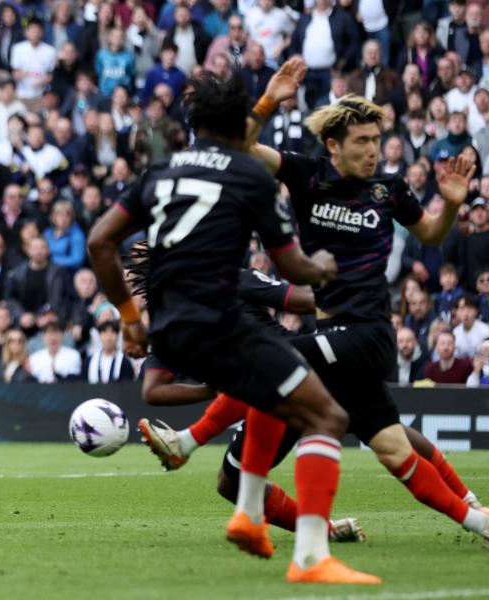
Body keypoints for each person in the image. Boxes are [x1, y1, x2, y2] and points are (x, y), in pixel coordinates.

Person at [185, 58, 489, 561]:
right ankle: (477, 519)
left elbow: (432, 233)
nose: (373, 152)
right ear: (333, 145)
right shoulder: (307, 174)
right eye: (362, 142)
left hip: (368, 333)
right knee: (393, 448)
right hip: (336, 339)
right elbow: (237, 150)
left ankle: (188, 441)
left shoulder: (390, 190)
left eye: (376, 141)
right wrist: (268, 101)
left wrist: (452, 204)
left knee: (269, 359)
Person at [86, 72, 377, 584]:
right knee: (327, 418)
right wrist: (324, 267)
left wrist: (131, 319)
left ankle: (247, 511)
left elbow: (99, 242)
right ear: (242, 122)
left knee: (268, 394)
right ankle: (311, 557)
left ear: (193, 123)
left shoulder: (162, 170)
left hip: (169, 331)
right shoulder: (250, 175)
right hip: (222, 322)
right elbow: (292, 270)